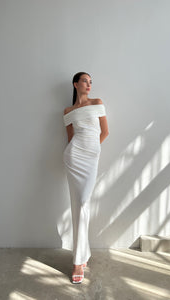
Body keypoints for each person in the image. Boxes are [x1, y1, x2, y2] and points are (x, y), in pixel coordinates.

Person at [63, 72, 109, 283]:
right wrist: (74, 152)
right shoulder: (68, 111)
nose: (89, 84)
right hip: (73, 157)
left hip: (91, 156)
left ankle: (82, 256)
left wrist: (94, 149)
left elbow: (105, 132)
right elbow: (70, 138)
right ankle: (78, 260)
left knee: (83, 203)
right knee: (78, 204)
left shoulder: (97, 102)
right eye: (84, 81)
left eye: (91, 82)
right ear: (75, 84)